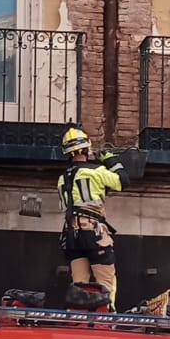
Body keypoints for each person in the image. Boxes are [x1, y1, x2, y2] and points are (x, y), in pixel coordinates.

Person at [57, 126, 128, 310]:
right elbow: (123, 181)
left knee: (79, 284)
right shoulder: (95, 171)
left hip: (71, 236)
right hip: (93, 233)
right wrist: (111, 160)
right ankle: (108, 318)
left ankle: (78, 319)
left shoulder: (62, 179)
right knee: (106, 282)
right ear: (86, 149)